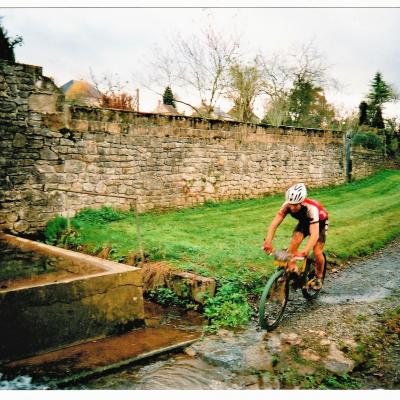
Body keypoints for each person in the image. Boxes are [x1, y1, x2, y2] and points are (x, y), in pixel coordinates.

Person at [263, 183, 328, 290]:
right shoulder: (286, 206)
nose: (292, 207)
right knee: (293, 244)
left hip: (319, 224)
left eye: (295, 205)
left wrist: (305, 251)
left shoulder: (311, 209)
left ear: (302, 202)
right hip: (304, 222)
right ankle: (292, 272)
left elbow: (315, 234)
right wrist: (268, 241)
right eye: (290, 204)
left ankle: (319, 277)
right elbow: (274, 224)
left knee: (317, 251)